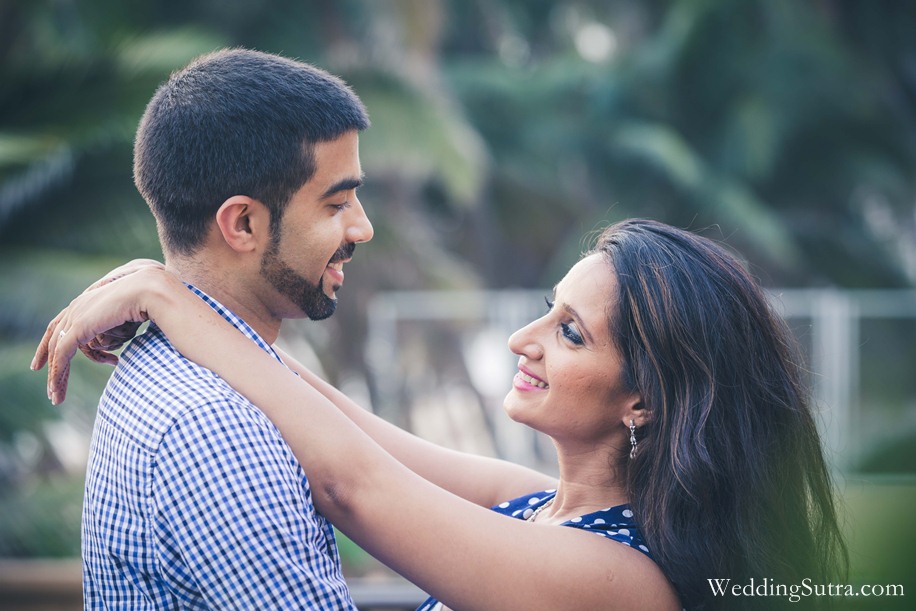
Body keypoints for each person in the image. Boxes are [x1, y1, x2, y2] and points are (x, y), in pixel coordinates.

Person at [35, 219, 847, 610]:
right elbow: (350, 426)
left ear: (646, 398)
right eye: (548, 307)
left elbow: (352, 483)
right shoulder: (532, 503)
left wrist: (169, 300)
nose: (524, 339)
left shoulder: (618, 580)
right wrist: (173, 290)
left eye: (570, 332)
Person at [43, 47, 380, 609]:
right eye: (336, 203)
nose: (362, 228)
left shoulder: (182, 367)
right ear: (243, 223)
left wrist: (165, 294)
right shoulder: (213, 427)